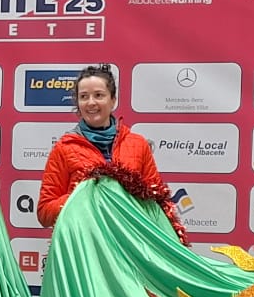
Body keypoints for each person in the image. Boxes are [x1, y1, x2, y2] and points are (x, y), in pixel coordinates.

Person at [37, 64, 184, 235]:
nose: (91, 102)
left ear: (113, 100)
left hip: (130, 242)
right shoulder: (64, 148)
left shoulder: (138, 144)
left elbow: (157, 203)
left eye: (98, 95)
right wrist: (82, 196)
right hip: (85, 242)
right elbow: (45, 213)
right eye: (84, 96)